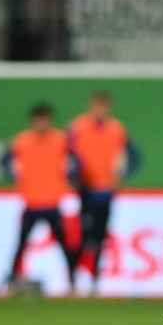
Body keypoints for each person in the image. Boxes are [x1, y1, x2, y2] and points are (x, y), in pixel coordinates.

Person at [68, 91, 140, 294]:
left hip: (106, 192)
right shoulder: (78, 127)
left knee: (99, 239)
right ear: (91, 106)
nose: (99, 110)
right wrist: (73, 176)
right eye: (96, 106)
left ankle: (94, 282)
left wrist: (120, 176)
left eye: (103, 106)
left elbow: (135, 157)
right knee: (81, 237)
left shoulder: (117, 130)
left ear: (108, 108)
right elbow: (66, 154)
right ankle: (73, 280)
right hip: (86, 191)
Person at [1, 104, 78, 293]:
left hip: (52, 202)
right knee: (21, 245)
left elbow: (78, 163)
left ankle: (73, 283)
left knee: (65, 246)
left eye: (45, 120)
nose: (42, 124)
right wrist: (18, 177)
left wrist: (68, 177)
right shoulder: (22, 141)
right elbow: (4, 162)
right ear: (33, 121)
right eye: (39, 120)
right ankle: (12, 281)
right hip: (32, 201)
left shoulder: (61, 140)